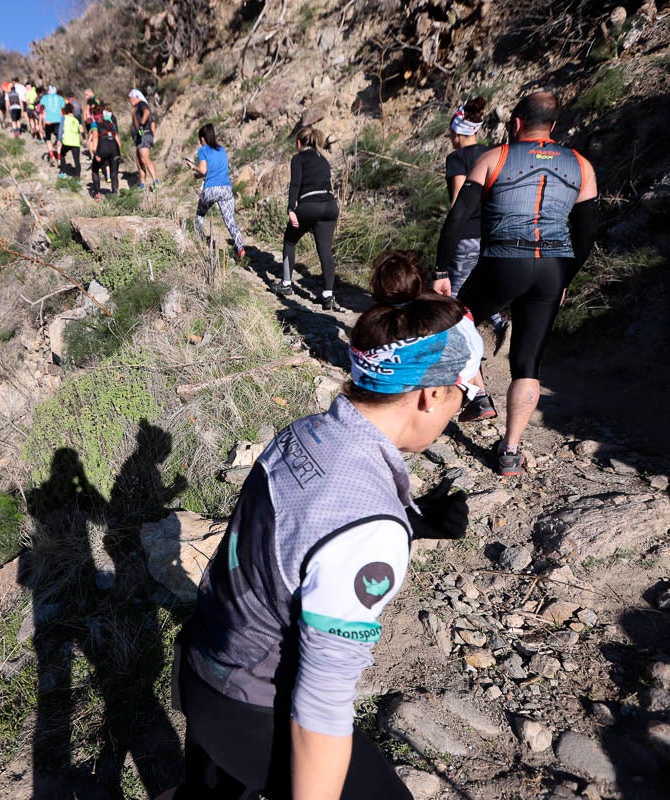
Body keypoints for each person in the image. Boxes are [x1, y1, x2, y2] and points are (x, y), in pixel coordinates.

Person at [166, 250, 481, 800]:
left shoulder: (306, 433)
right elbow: (321, 704)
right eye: (466, 395)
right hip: (253, 704)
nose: (462, 411)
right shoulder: (369, 529)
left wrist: (412, 521)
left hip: (205, 659)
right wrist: (389, 528)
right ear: (432, 394)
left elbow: (301, 533)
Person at [433, 91, 598, 475]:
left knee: (456, 322)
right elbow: (587, 232)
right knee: (528, 363)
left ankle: (478, 396)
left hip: (505, 260)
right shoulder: (581, 165)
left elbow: (458, 217)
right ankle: (509, 451)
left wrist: (441, 271)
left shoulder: (495, 157)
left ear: (517, 123)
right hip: (553, 266)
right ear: (553, 125)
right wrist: (566, 279)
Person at [443, 96, 509, 356]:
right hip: (492, 233)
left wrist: (449, 236)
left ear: (457, 132)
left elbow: (459, 201)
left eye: (451, 131)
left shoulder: (457, 158)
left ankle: (461, 348)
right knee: (481, 285)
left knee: (454, 292)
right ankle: (499, 322)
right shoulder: (492, 154)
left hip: (466, 234)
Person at [278, 126, 343, 311]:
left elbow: (295, 185)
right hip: (330, 206)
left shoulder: (298, 159)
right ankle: (328, 295)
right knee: (325, 250)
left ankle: (286, 284)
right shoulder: (324, 160)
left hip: (310, 206)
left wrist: (291, 209)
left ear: (299, 143)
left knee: (290, 241)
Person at [189, 123, 246, 260]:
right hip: (226, 189)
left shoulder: (203, 150)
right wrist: (198, 175)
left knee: (200, 214)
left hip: (211, 189)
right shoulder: (222, 150)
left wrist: (192, 167)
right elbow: (214, 170)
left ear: (203, 138)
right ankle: (240, 247)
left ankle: (199, 241)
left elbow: (203, 170)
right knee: (230, 221)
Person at [88, 103, 122, 197]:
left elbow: (95, 137)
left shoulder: (94, 124)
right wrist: (119, 153)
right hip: (114, 147)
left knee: (95, 169)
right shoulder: (111, 123)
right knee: (114, 173)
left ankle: (97, 193)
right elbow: (118, 141)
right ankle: (115, 194)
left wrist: (95, 152)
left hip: (103, 147)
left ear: (94, 115)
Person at [128, 89, 159, 189]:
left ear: (135, 97)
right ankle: (142, 184)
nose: (129, 100)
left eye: (130, 98)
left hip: (144, 135)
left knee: (144, 159)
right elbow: (152, 122)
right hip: (140, 137)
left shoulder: (141, 104)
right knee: (139, 161)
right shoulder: (138, 107)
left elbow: (146, 112)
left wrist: (142, 126)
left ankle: (156, 181)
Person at [40, 85, 66, 168]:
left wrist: (41, 123)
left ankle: (51, 155)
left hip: (48, 121)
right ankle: (59, 157)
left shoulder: (44, 98)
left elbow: (41, 109)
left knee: (48, 139)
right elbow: (63, 110)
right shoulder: (60, 98)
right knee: (59, 139)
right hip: (58, 120)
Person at [59, 102, 83, 180]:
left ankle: (63, 172)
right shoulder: (76, 119)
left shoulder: (64, 118)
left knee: (62, 155)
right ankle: (78, 178)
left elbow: (60, 130)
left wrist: (59, 139)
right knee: (77, 161)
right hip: (75, 142)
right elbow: (81, 130)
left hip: (66, 141)